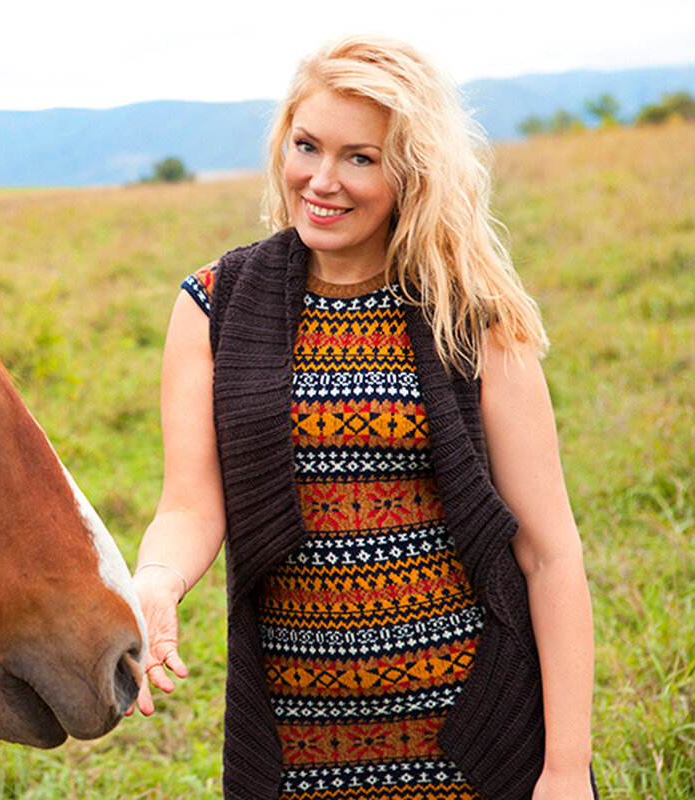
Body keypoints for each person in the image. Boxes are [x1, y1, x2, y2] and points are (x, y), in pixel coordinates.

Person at [131, 35, 596, 800]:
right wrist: (156, 578)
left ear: (412, 172)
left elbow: (550, 553)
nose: (321, 180)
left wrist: (566, 766)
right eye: (307, 145)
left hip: (469, 736)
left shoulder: (469, 315)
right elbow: (188, 504)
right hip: (297, 738)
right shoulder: (214, 304)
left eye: (360, 157)